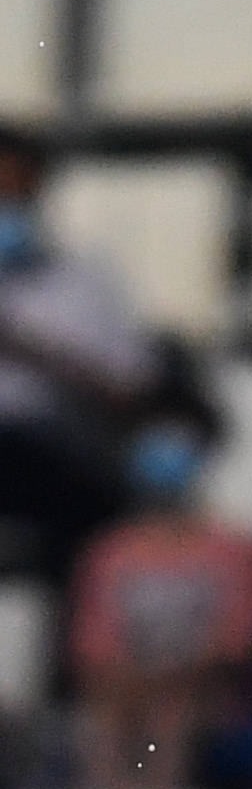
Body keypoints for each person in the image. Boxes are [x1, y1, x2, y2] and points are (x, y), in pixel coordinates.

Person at [69, 340, 252, 789]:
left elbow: (244, 641)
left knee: (170, 715)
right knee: (104, 719)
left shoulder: (235, 551)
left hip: (206, 695)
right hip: (125, 693)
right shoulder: (109, 552)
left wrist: (176, 675)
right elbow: (92, 649)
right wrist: (131, 681)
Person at [0, 127, 159, 576]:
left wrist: (35, 354)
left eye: (12, 191)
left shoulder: (87, 281)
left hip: (58, 456)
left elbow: (132, 393)